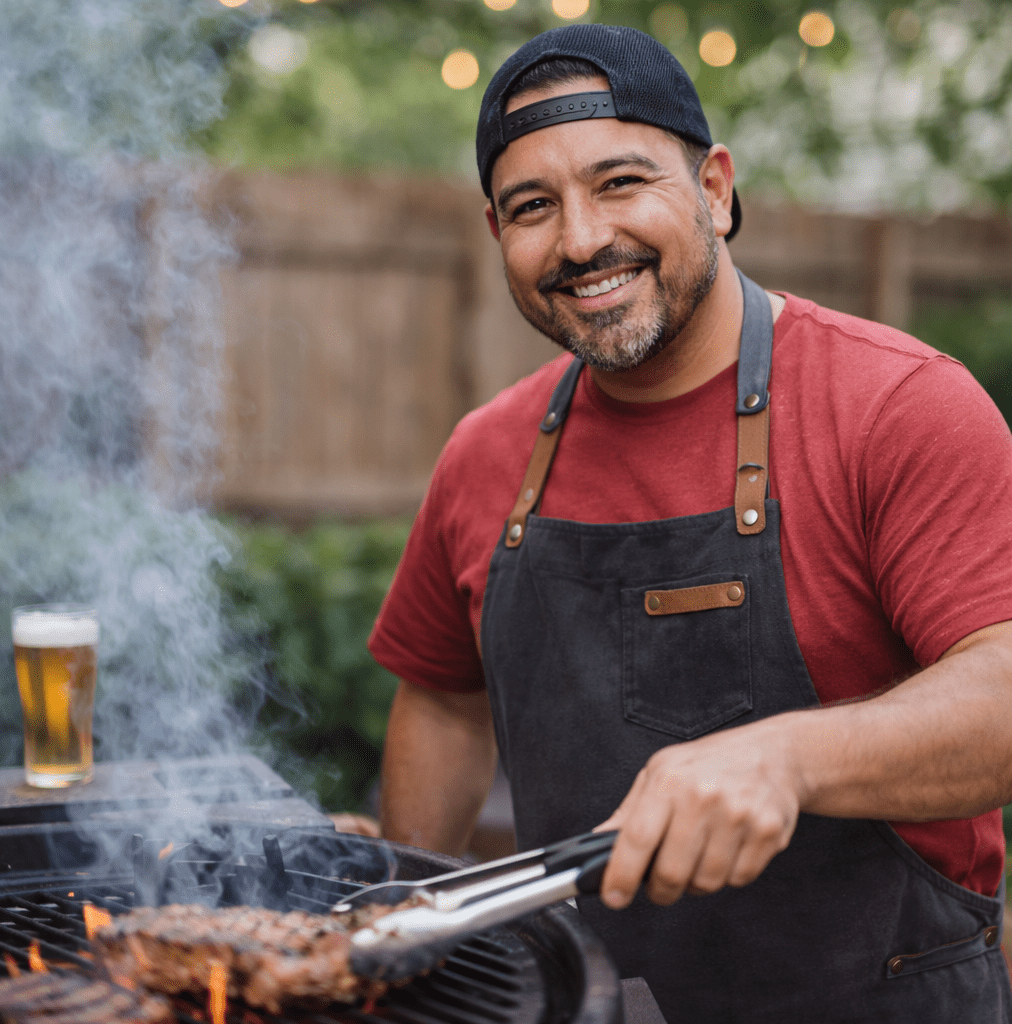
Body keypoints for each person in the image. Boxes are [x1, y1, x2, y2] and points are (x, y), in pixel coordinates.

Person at [368, 23, 1012, 1022]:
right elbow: (446, 703)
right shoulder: (485, 454)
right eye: (533, 207)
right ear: (496, 234)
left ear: (714, 189)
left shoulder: (897, 405)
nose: (581, 240)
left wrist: (786, 757)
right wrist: (403, 927)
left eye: (620, 182)